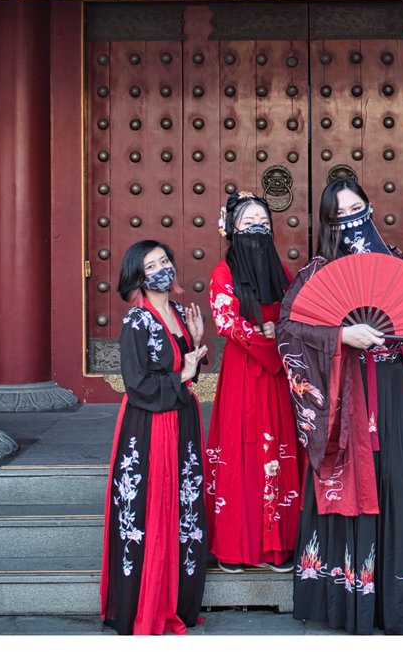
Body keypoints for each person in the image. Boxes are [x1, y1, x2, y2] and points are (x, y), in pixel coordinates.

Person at [277, 177, 403, 634]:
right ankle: (348, 600)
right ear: (328, 224)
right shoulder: (316, 272)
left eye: (357, 210)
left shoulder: (395, 264)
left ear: (370, 209)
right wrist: (340, 336)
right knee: (350, 482)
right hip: (345, 397)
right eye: (340, 216)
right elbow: (288, 330)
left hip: (392, 393)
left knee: (401, 483)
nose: (352, 221)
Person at [100, 240, 209, 634]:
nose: (163, 269)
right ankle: (146, 603)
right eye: (152, 266)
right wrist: (181, 374)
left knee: (184, 505)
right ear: (139, 277)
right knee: (150, 507)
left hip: (182, 421)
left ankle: (178, 598)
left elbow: (187, 370)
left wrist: (195, 343)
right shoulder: (136, 321)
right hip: (150, 425)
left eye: (165, 260)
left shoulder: (179, 312)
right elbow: (137, 384)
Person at [204, 192, 303, 574]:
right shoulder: (222, 274)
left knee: (278, 450)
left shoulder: (281, 274)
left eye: (263, 222)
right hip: (247, 373)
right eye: (248, 223)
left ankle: (278, 547)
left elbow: (296, 316)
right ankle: (235, 548)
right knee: (242, 453)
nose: (257, 228)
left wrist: (281, 333)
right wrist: (273, 341)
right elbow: (228, 324)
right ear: (231, 229)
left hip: (279, 377)